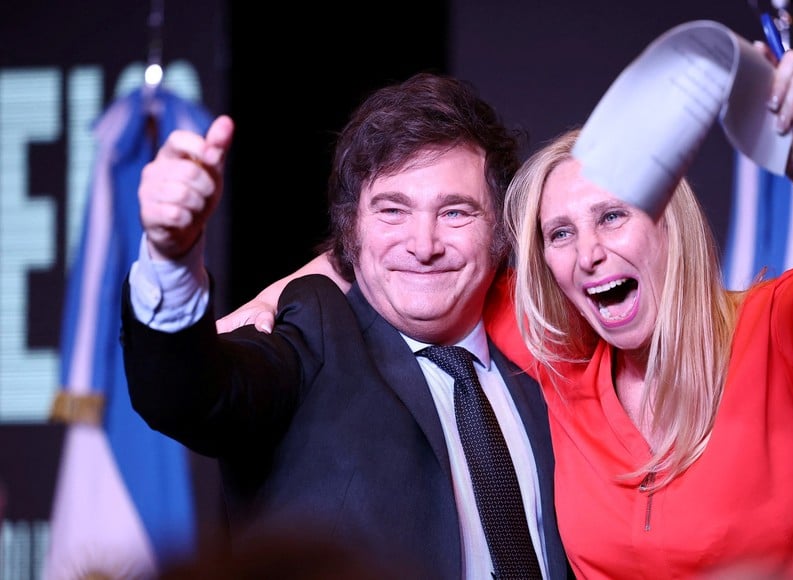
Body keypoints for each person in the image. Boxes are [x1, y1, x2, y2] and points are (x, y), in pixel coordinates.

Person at [218, 46, 793, 577]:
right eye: (559, 234)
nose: (587, 253)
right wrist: (271, 298)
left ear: (671, 225)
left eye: (612, 216)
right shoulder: (557, 359)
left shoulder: (783, 328)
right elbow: (412, 261)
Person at [121, 72, 570, 579]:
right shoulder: (313, 332)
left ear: (501, 232)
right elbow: (189, 396)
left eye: (455, 213)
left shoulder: (547, 369)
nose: (423, 245)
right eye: (393, 210)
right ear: (351, 230)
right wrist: (171, 256)